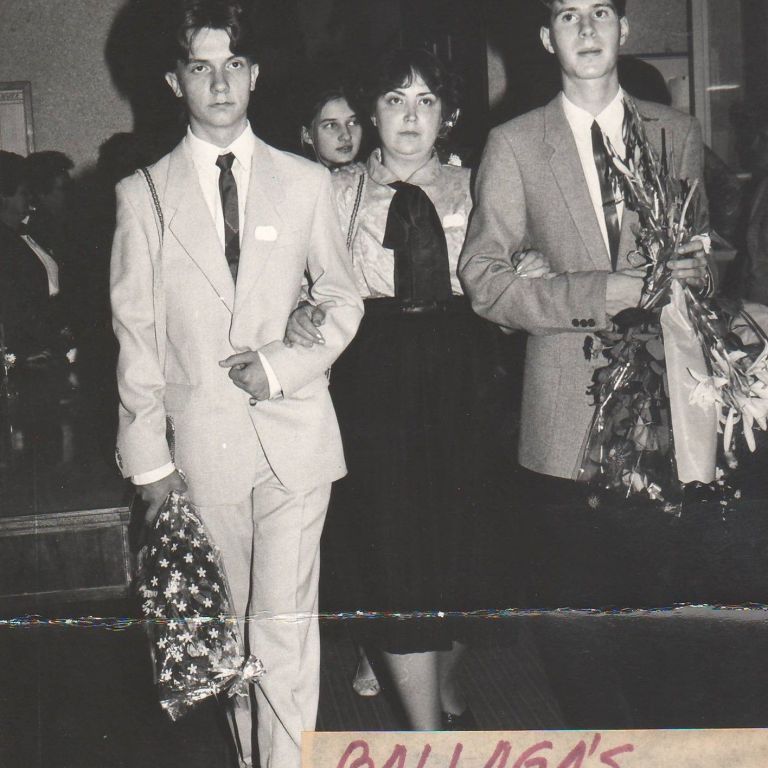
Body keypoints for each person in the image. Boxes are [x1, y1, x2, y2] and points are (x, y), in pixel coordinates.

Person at [109, 1, 363, 766]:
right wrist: (149, 465)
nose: (219, 83)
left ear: (255, 74)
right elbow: (135, 336)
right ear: (174, 81)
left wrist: (282, 364)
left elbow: (343, 296)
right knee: (234, 644)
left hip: (297, 437)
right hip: (203, 450)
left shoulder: (305, 182)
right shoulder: (143, 195)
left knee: (283, 630)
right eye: (200, 67)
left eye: (234, 65)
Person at [286, 48, 548, 731]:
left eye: (426, 101)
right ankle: (429, 738)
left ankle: (445, 684)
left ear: (447, 115)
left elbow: (511, 275)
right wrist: (298, 310)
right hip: (373, 382)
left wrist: (529, 269)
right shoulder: (331, 191)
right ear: (371, 114)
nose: (410, 116)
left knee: (471, 548)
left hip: (470, 379)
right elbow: (296, 280)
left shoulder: (481, 184)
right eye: (395, 101)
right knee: (393, 554)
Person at [458, 0, 713, 594]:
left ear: (624, 29)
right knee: (577, 611)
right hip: (565, 417)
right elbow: (484, 280)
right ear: (548, 38)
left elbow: (702, 258)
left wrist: (698, 273)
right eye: (569, 16)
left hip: (668, 410)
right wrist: (598, 294)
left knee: (662, 601)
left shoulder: (676, 132)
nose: (588, 28)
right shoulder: (514, 143)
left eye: (600, 11)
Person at [300, 81, 364, 170]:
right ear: (307, 135)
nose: (346, 136)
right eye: (331, 125)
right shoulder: (294, 177)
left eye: (352, 123)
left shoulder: (376, 176)